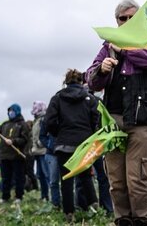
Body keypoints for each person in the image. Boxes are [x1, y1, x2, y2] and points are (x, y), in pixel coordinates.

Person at [86, 0, 147, 226]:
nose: (128, 21)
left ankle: (143, 219)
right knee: (116, 179)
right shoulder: (107, 46)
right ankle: (122, 219)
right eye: (124, 18)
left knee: (138, 177)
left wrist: (126, 50)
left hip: (144, 120)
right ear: (117, 21)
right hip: (113, 121)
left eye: (133, 17)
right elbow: (90, 79)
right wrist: (100, 70)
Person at [45, 69, 100, 222]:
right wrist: (89, 133)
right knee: (86, 176)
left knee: (66, 180)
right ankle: (95, 208)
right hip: (84, 144)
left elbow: (49, 122)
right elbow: (97, 119)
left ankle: (69, 213)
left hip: (63, 144)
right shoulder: (89, 98)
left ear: (66, 81)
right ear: (81, 82)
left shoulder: (57, 99)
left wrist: (59, 133)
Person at [0, 103, 31, 203]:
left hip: (17, 155)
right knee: (5, 178)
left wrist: (13, 141)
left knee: (18, 177)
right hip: (4, 155)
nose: (10, 113)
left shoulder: (22, 124)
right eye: (9, 111)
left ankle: (19, 196)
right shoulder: (5, 124)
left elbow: (25, 139)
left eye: (12, 111)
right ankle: (5, 196)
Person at [30, 100, 51, 204]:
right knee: (40, 175)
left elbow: (46, 134)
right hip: (37, 152)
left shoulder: (43, 119)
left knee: (47, 174)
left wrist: (40, 142)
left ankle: (51, 197)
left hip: (43, 151)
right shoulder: (36, 120)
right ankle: (44, 195)